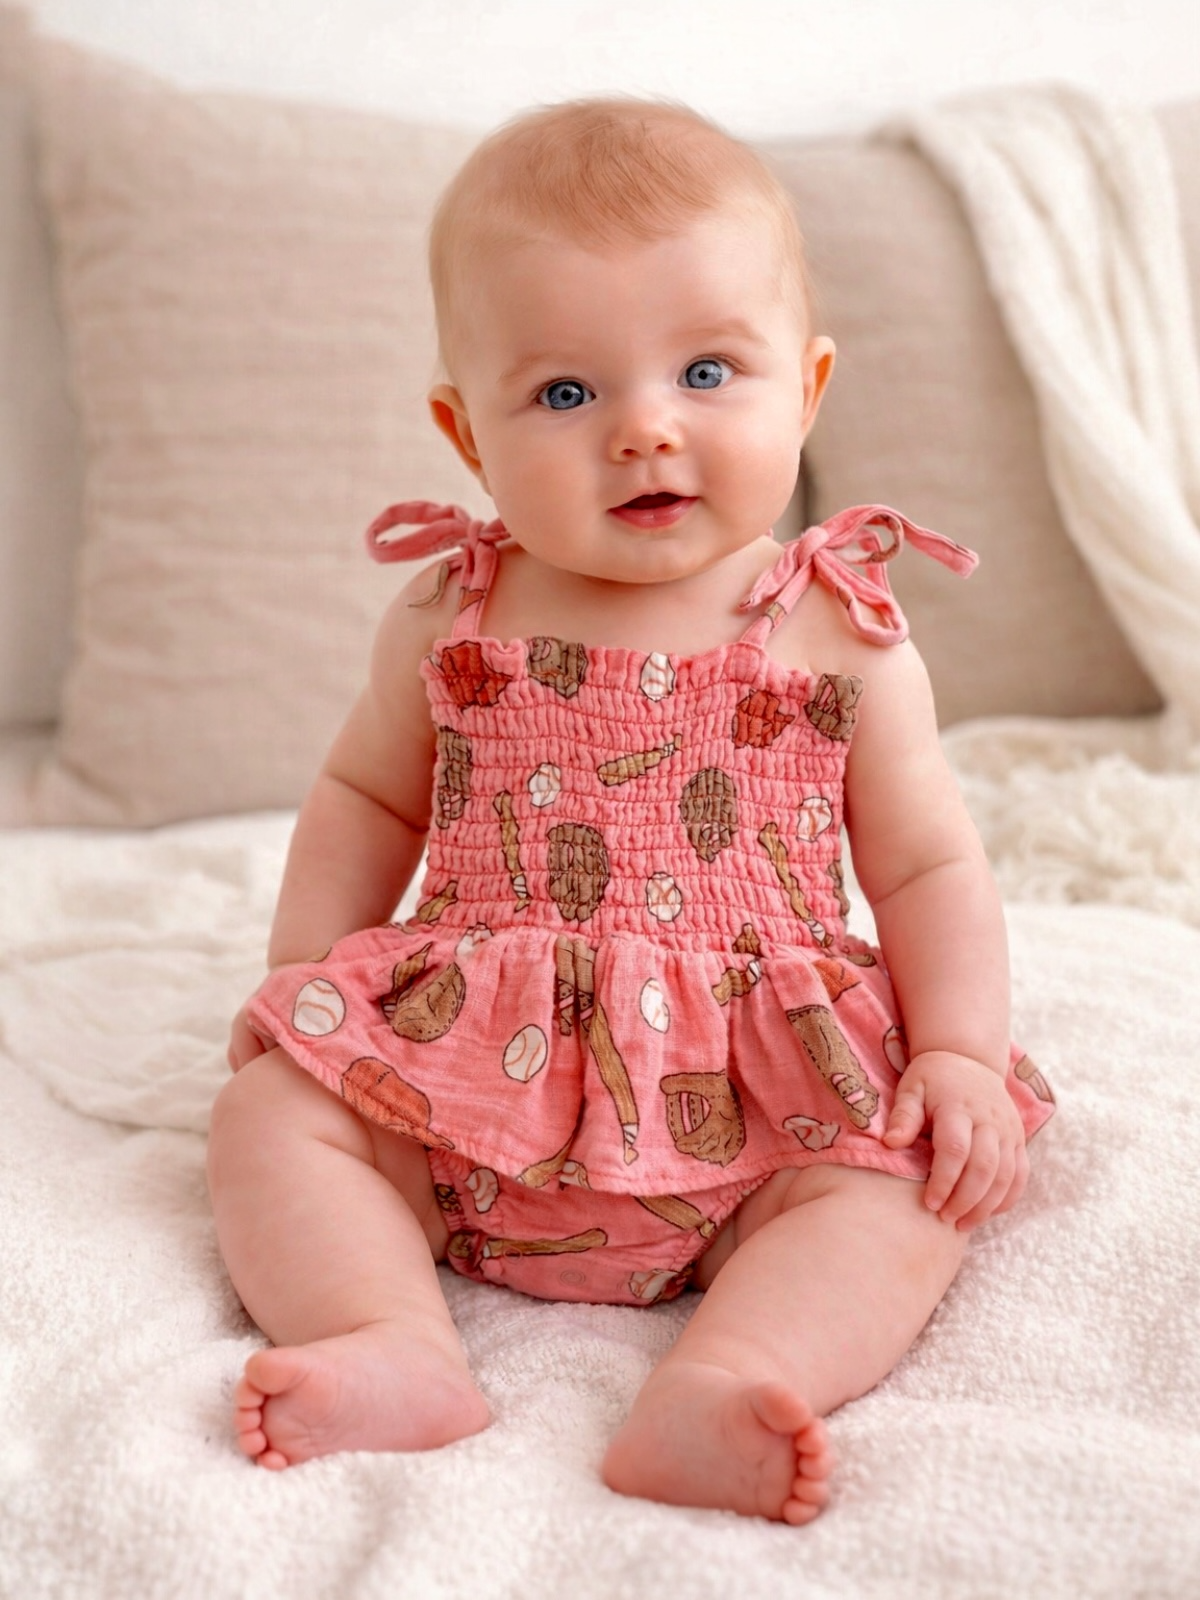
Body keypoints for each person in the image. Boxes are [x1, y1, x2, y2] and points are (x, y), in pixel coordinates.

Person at [207, 96, 1055, 1525]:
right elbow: (363, 797)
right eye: (564, 395)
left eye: (709, 370)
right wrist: (302, 985)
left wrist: (961, 1051)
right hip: (466, 1084)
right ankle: (393, 1338)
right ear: (463, 431)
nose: (645, 430)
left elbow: (926, 865)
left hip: (758, 1103)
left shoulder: (837, 627)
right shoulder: (451, 611)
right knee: (268, 1119)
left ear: (811, 388)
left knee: (908, 1187)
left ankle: (730, 1373)